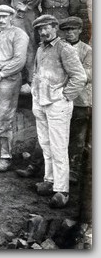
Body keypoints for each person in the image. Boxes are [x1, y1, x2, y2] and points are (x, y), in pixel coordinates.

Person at [31, 14, 86, 208]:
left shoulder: (65, 48)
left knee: (58, 146)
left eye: (46, 28)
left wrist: (65, 96)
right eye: (40, 29)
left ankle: (62, 191)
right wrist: (35, 95)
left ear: (55, 28)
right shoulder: (40, 49)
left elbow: (79, 77)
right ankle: (49, 180)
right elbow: (38, 74)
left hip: (57, 104)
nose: (43, 32)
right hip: (41, 102)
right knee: (45, 144)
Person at [0, 5, 29, 172]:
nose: (1, 20)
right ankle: (3, 152)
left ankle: (6, 158)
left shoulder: (19, 34)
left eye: (4, 17)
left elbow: (19, 60)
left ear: (11, 17)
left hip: (8, 79)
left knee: (4, 118)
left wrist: (0, 76)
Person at [59, 17, 92, 183]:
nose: (70, 33)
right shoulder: (59, 47)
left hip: (79, 100)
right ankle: (41, 166)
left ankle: (73, 170)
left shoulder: (88, 50)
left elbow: (89, 75)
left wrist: (70, 74)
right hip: (59, 99)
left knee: (77, 137)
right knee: (57, 135)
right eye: (66, 30)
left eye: (73, 30)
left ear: (80, 30)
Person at [11, 0, 44, 93]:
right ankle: (25, 79)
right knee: (21, 45)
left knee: (29, 46)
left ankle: (31, 81)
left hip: (26, 16)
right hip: (20, 15)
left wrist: (27, 6)